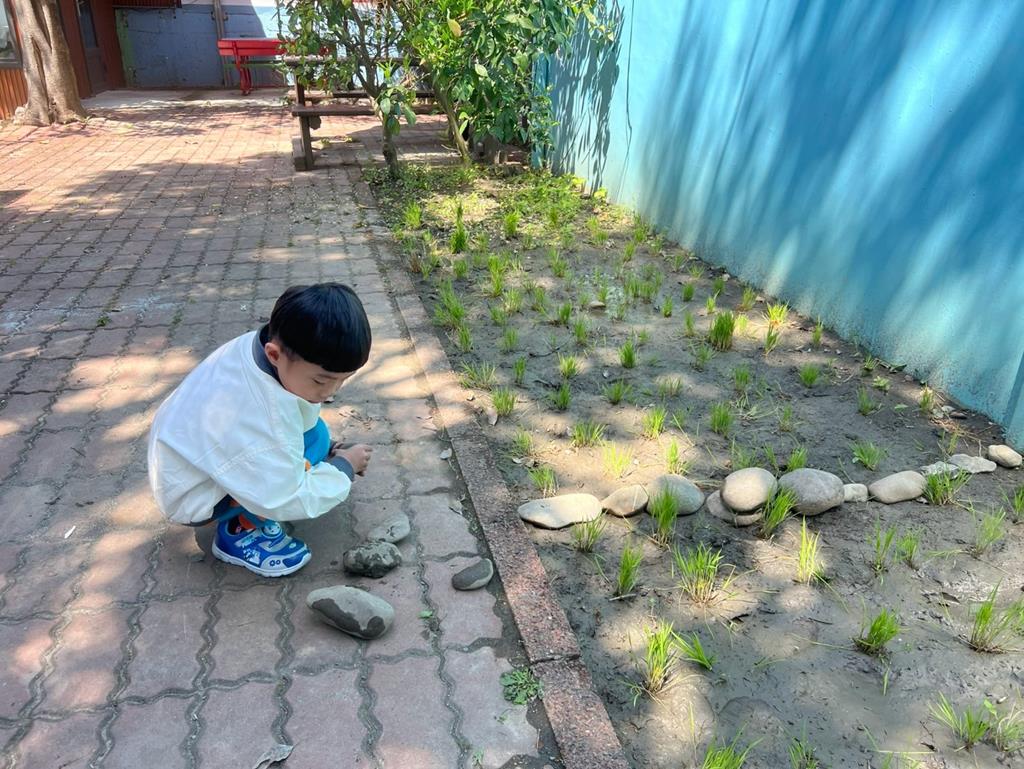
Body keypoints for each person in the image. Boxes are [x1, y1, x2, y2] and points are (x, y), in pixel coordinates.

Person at [147, 283, 373, 577]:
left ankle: (297, 464)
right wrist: (344, 467)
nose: (332, 391)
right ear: (275, 355)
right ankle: (238, 532)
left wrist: (328, 449)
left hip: (186, 455)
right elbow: (284, 498)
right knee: (295, 466)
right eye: (321, 381)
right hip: (193, 495)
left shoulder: (261, 346)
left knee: (317, 436)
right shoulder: (262, 417)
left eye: (344, 379)